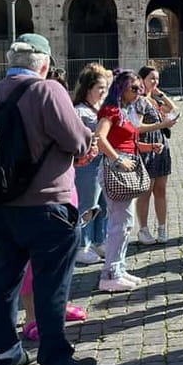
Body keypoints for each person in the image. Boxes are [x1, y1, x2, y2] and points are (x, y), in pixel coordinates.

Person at [0, 33, 96, 365]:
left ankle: (6, 354)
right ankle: (56, 359)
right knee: (51, 286)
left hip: (2, 207)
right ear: (44, 64)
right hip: (47, 206)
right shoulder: (48, 90)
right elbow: (77, 140)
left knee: (4, 282)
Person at [95, 70, 163, 292]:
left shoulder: (126, 111)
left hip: (129, 165)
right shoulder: (111, 111)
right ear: (120, 88)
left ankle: (119, 267)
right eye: (134, 88)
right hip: (116, 170)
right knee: (119, 223)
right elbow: (100, 138)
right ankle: (110, 273)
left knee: (126, 223)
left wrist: (148, 147)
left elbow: (128, 141)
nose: (139, 92)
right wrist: (118, 160)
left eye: (139, 88)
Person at [136, 65, 179, 245]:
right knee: (146, 191)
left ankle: (162, 227)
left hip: (161, 146)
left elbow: (174, 110)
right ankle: (143, 229)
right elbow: (137, 127)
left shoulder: (154, 99)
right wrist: (160, 126)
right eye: (151, 78)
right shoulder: (138, 101)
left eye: (157, 79)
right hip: (148, 146)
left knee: (160, 189)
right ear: (142, 80)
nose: (155, 82)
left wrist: (159, 93)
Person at [72, 64, 110, 265]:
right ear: (88, 89)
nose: (103, 92)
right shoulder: (79, 112)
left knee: (103, 205)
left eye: (105, 88)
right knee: (87, 205)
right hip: (86, 166)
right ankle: (81, 245)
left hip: (102, 163)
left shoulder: (99, 109)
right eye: (99, 88)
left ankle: (99, 240)